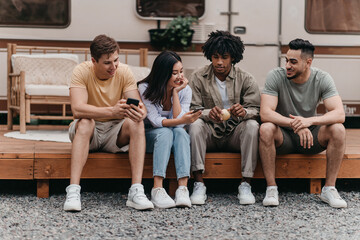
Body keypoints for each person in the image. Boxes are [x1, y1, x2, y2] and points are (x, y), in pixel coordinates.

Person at [63, 34, 154, 211]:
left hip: (115, 133)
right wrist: (111, 110)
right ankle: (73, 192)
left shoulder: (124, 71)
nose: (114, 67)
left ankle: (136, 191)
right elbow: (77, 109)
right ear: (93, 61)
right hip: (90, 132)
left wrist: (140, 112)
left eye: (116, 60)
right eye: (107, 63)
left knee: (137, 123)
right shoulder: (81, 71)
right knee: (85, 121)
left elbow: (139, 107)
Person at [259, 38, 347, 208]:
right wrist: (295, 124)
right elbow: (265, 113)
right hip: (283, 137)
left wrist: (309, 121)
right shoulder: (275, 76)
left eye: (293, 62)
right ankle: (271, 188)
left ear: (308, 63)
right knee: (266, 128)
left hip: (310, 138)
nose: (287, 66)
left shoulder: (322, 78)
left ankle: (329, 189)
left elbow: (339, 113)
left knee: (338, 129)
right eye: (286, 60)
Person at [188, 30, 261, 205]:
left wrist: (244, 112)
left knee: (252, 126)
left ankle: (246, 184)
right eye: (215, 57)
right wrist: (207, 113)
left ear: (233, 57)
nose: (219, 62)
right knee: (195, 124)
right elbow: (191, 109)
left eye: (225, 57)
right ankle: (199, 183)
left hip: (234, 133)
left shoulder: (246, 79)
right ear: (209, 56)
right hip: (210, 133)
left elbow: (256, 109)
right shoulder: (198, 77)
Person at [138, 51, 201, 208]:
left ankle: (183, 188)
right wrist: (181, 120)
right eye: (174, 73)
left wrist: (175, 93)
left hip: (173, 136)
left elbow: (179, 124)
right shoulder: (145, 88)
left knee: (180, 132)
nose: (180, 76)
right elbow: (155, 121)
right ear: (162, 73)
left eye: (181, 71)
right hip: (149, 137)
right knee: (165, 132)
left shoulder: (184, 90)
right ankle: (157, 188)